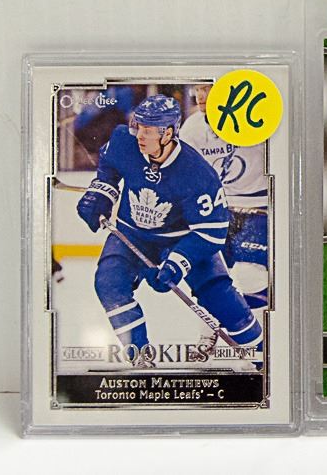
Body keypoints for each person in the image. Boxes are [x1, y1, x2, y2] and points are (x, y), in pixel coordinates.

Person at [76, 95, 263, 366]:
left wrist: (177, 263)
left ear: (168, 133)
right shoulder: (123, 141)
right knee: (109, 282)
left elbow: (211, 232)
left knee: (220, 299)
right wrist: (101, 193)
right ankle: (139, 355)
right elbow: (109, 167)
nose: (139, 135)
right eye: (138, 126)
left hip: (182, 239)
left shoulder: (197, 174)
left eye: (148, 130)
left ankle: (260, 354)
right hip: (133, 235)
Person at [181, 84, 270, 308]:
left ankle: (256, 326)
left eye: (207, 88)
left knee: (250, 275)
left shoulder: (257, 119)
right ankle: (221, 324)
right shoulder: (192, 128)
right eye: (197, 89)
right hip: (218, 211)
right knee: (210, 279)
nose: (200, 95)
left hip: (259, 209)